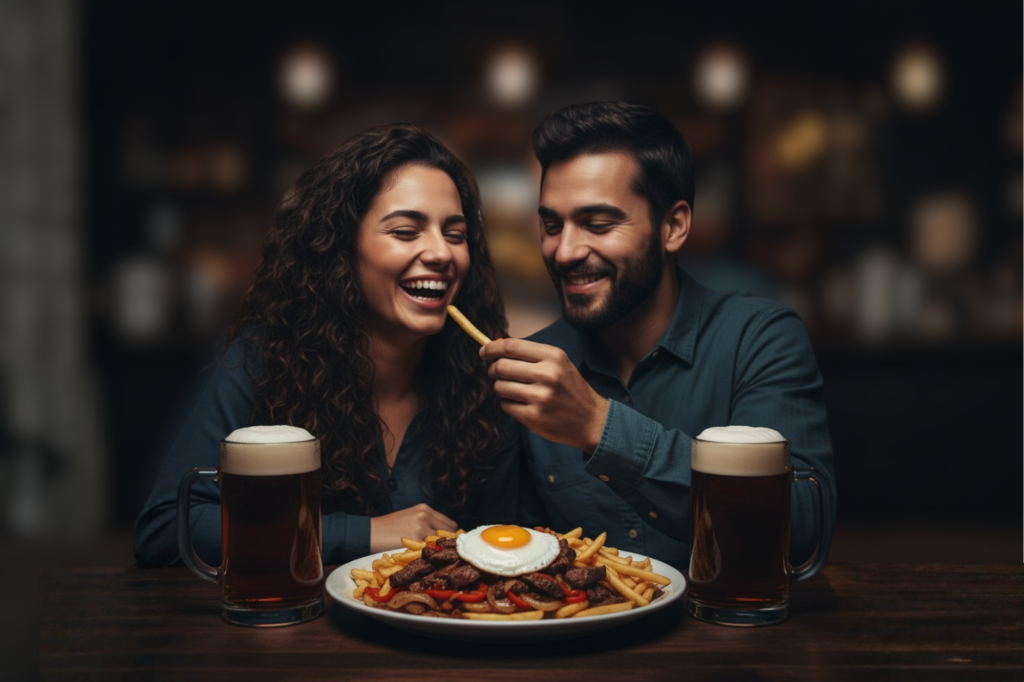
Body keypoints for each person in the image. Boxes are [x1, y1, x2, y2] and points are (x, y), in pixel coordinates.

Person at [135, 123, 516, 567]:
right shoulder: (262, 359)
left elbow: (508, 551)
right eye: (406, 232)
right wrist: (363, 534)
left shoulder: (486, 382)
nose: (442, 253)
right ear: (342, 248)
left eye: (455, 234)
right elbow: (165, 529)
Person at [481, 102, 835, 569]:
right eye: (551, 225)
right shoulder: (532, 370)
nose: (564, 251)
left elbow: (802, 531)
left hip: (731, 635)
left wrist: (599, 427)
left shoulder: (758, 339)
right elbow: (506, 558)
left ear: (674, 226)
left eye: (599, 224)